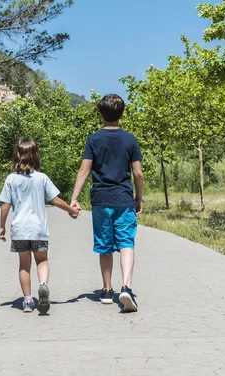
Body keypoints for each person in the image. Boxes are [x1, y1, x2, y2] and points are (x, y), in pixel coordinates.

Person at [71, 94, 144, 312]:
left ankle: (105, 290)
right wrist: (138, 198)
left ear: (101, 115)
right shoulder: (130, 139)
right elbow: (138, 174)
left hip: (101, 200)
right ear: (122, 114)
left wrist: (74, 198)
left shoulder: (93, 139)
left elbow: (84, 170)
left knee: (104, 246)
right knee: (126, 243)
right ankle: (126, 287)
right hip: (123, 199)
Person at [0, 138, 79, 314]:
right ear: (35, 155)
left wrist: (2, 226)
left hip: (19, 230)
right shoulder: (42, 178)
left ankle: (27, 301)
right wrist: (71, 210)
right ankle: (43, 285)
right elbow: (55, 200)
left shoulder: (11, 179)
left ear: (16, 156)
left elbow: (5, 205)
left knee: (24, 264)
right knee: (42, 260)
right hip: (38, 229)